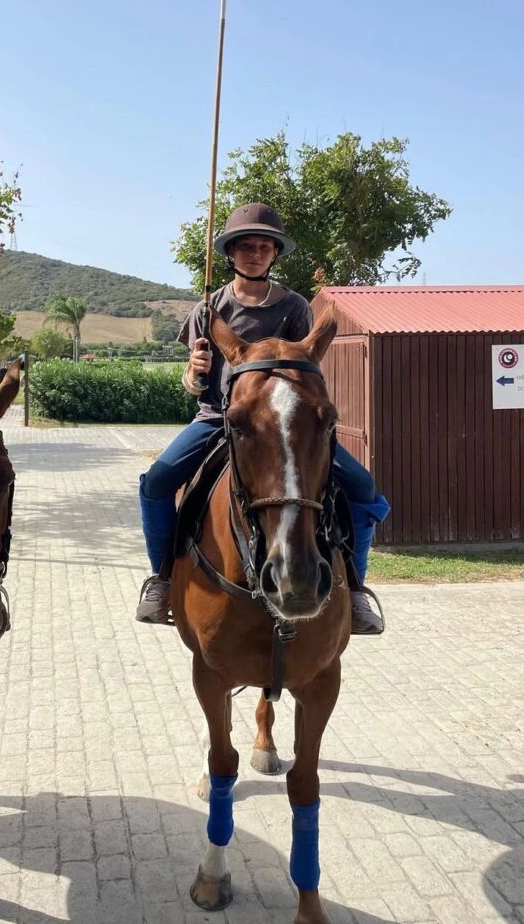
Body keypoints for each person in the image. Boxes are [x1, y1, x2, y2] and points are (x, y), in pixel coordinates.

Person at [135, 203, 390, 633]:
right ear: (231, 253)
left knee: (363, 488)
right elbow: (194, 384)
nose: (254, 253)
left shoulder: (293, 307)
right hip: (217, 418)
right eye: (246, 246)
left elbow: (304, 375)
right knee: (156, 482)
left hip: (281, 425)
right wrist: (193, 372)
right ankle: (162, 577)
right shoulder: (207, 309)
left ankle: (358, 587)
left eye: (264, 246)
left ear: (274, 254)